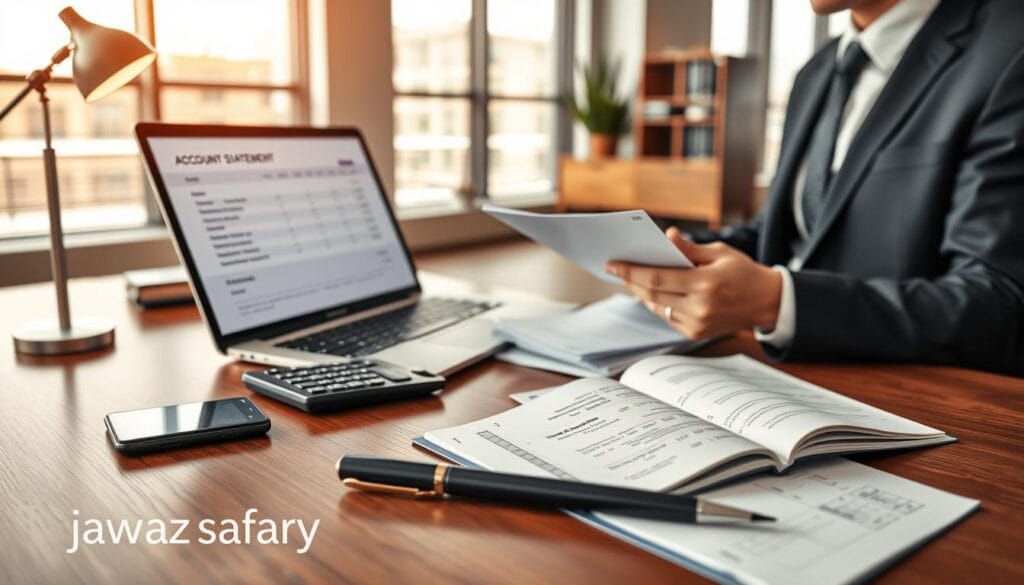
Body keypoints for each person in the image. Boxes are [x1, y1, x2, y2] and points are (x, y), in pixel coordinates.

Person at [606, 0, 1024, 376]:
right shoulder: (818, 71)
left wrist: (779, 302)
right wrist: (677, 254)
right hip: (782, 376)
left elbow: (1000, 303)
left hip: (927, 400)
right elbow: (786, 233)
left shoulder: (1010, 46)